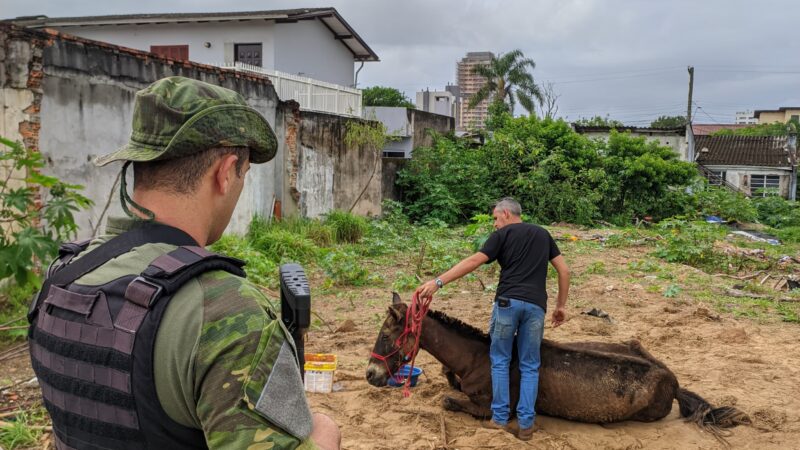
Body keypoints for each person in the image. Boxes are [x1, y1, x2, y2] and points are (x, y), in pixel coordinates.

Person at [27, 76, 340, 450]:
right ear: (225, 173)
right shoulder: (224, 311)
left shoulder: (62, 278)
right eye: (244, 174)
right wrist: (323, 435)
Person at [415, 197, 570, 441]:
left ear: (506, 214)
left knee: (500, 360)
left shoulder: (503, 235)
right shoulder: (543, 234)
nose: (495, 225)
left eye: (496, 219)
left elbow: (474, 261)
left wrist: (438, 282)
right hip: (536, 308)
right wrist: (561, 306)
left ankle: (499, 418)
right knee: (530, 365)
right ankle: (526, 424)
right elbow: (564, 270)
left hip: (508, 304)